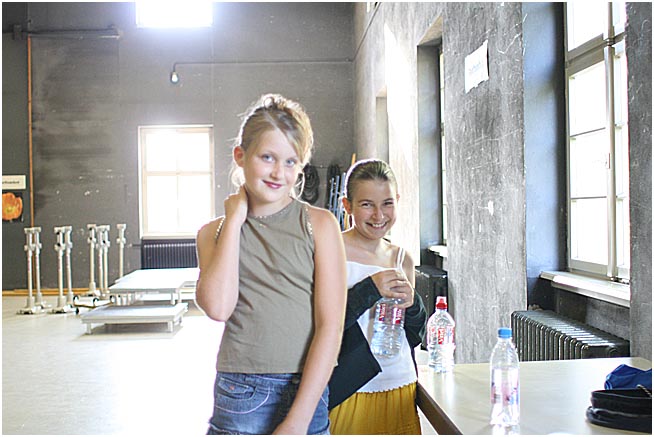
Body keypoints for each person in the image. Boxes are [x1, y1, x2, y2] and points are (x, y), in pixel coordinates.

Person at [195, 93, 347, 435]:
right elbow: (218, 307)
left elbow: (331, 327)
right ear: (240, 156)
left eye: (291, 162)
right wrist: (234, 221)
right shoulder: (212, 233)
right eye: (268, 157)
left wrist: (297, 421)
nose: (279, 172)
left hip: (307, 390)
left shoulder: (319, 225)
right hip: (240, 391)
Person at [328, 158, 427, 435]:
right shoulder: (330, 250)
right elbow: (321, 325)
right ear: (347, 206)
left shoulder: (402, 258)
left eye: (387, 203)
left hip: (399, 383)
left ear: (398, 201)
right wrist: (370, 288)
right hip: (348, 386)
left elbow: (413, 335)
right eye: (366, 204)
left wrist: (414, 305)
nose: (378, 215)